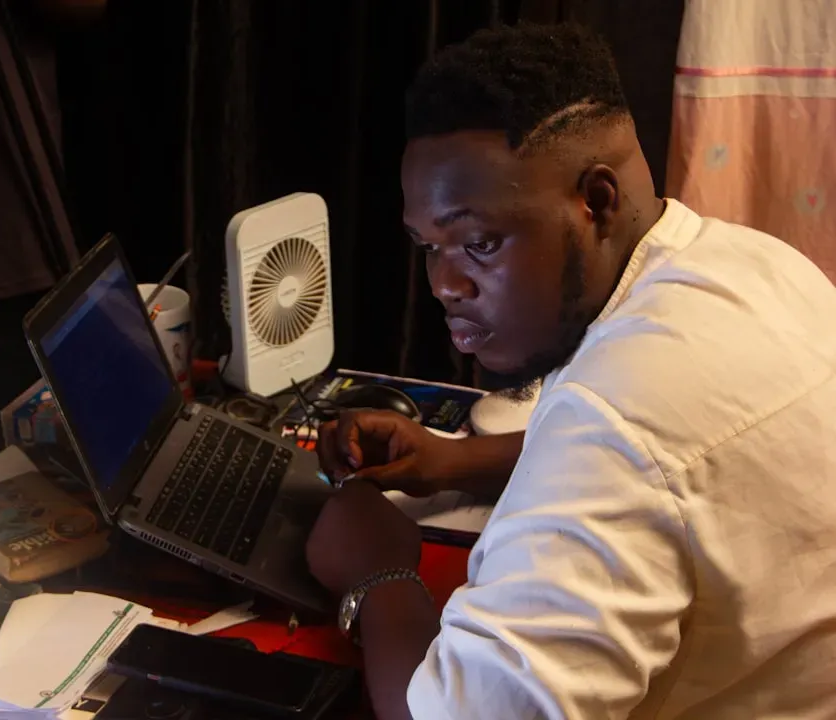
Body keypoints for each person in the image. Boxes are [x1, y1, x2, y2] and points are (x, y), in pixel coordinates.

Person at [306, 22, 836, 720]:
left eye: (479, 242)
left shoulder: (618, 421)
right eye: (427, 246)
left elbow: (632, 449)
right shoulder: (754, 264)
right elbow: (685, 473)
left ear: (598, 200)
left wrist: (377, 573)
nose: (444, 284)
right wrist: (457, 462)